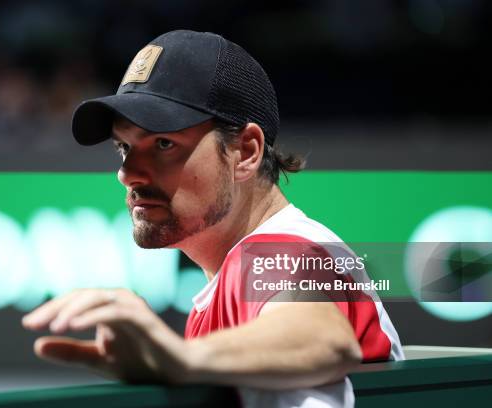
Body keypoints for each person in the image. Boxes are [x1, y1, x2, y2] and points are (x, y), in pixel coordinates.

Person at [21, 29, 403, 407]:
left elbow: (322, 335)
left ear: (247, 152)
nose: (127, 173)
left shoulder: (281, 250)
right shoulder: (227, 288)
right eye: (124, 148)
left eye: (163, 144)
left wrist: (179, 357)